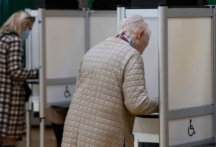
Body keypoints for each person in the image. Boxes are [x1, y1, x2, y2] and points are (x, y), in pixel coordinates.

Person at [61, 14, 159, 147]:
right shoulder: (132, 55)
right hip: (103, 137)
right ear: (140, 34)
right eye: (144, 46)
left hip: (74, 132)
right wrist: (161, 103)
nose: (142, 52)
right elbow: (136, 104)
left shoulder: (93, 51)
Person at [0, 11, 39, 147]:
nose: (28, 31)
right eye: (28, 27)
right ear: (23, 24)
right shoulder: (14, 41)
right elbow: (15, 72)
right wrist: (37, 72)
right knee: (11, 138)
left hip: (2, 95)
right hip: (11, 97)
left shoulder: (3, 38)